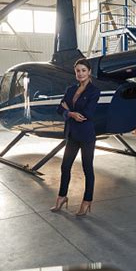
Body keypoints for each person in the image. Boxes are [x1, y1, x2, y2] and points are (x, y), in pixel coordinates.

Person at [51, 58, 100, 216]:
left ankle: (87, 201)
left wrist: (68, 110)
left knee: (87, 169)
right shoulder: (71, 89)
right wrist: (71, 113)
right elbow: (60, 108)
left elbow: (87, 114)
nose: (80, 73)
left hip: (86, 135)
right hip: (72, 134)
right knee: (65, 167)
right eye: (78, 71)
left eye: (83, 70)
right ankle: (61, 197)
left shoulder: (94, 91)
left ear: (89, 72)